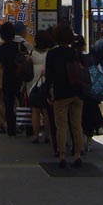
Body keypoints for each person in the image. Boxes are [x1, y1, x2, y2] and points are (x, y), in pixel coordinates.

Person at [44, 24, 84, 168]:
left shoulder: (52, 54)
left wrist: (47, 93)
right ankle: (78, 154)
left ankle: (62, 155)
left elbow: (49, 76)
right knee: (77, 124)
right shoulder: (75, 52)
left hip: (61, 93)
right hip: (77, 92)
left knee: (61, 125)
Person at [0, 21, 25, 136]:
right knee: (22, 102)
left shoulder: (1, 49)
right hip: (19, 78)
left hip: (7, 78)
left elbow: (0, 65)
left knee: (8, 104)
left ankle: (11, 129)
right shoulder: (19, 46)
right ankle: (25, 126)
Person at [28, 29, 53, 145]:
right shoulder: (50, 53)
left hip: (34, 84)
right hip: (46, 84)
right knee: (46, 111)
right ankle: (47, 136)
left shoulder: (32, 53)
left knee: (35, 111)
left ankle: (36, 135)